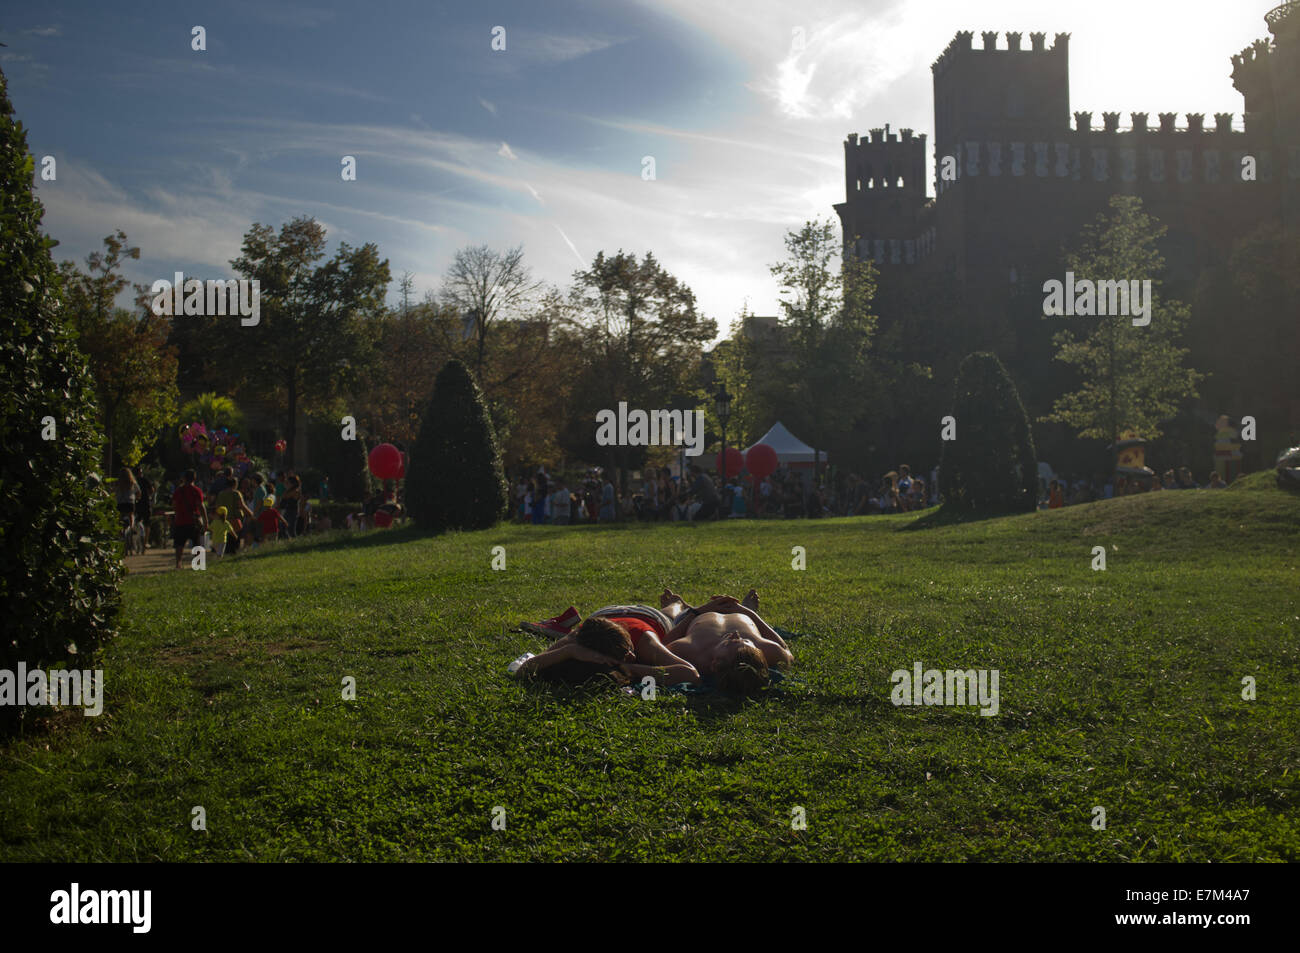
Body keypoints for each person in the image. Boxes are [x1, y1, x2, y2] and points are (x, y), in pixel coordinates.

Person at [516, 589, 791, 697]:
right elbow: (524, 669)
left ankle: (675, 605)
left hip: (643, 619)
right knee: (671, 617)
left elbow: (672, 645)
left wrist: (695, 612)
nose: (633, 657)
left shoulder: (648, 642)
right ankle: (677, 606)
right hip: (609, 617)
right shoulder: (581, 639)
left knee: (670, 616)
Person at [171, 469, 207, 569]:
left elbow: (174, 505)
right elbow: (201, 506)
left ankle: (178, 563)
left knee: (179, 544)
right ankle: (198, 564)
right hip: (193, 521)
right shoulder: (196, 490)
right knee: (197, 543)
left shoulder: (178, 491)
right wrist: (205, 521)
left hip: (180, 520)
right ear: (194, 478)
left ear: (184, 478)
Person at [115, 467, 139, 536]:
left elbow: (114, 491)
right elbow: (138, 492)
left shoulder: (117, 483)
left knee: (120, 517)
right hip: (129, 502)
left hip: (120, 502)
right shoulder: (132, 482)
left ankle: (120, 531)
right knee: (131, 514)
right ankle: (131, 527)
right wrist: (136, 498)